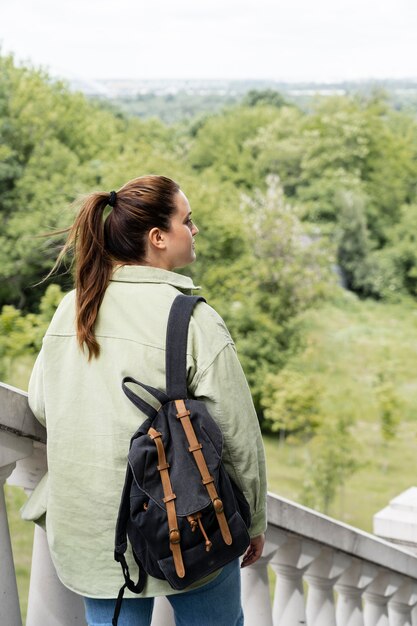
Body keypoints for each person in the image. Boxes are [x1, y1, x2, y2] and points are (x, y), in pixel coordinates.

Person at [22, 175, 267, 626]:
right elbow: (239, 438)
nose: (194, 230)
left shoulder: (75, 308)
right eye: (187, 221)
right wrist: (252, 522)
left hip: (96, 532)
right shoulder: (194, 321)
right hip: (189, 527)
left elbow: (41, 403)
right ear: (157, 238)